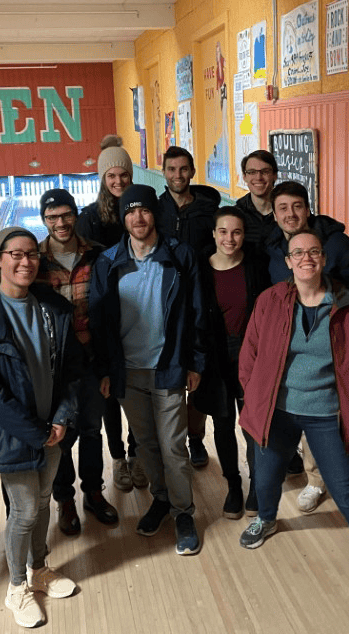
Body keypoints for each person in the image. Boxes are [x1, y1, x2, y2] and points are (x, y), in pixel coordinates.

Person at [237, 230, 349, 625]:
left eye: (313, 252)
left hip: (327, 413)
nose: (306, 258)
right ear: (289, 261)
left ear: (323, 258)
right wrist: (255, 395)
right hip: (278, 410)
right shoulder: (271, 301)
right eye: (298, 253)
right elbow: (250, 354)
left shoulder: (348, 306)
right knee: (266, 475)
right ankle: (266, 517)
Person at [0, 227, 81, 628]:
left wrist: (61, 416)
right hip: (15, 432)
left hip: (52, 427)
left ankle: (39, 569)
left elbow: (69, 370)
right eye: (15, 254)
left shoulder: (49, 308)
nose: (25, 261)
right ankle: (16, 587)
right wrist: (37, 431)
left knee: (43, 501)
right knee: (24, 511)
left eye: (31, 254)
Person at [89, 184, 207, 555]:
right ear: (123, 217)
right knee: (146, 444)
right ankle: (161, 499)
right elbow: (98, 323)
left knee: (173, 444)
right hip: (128, 371)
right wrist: (107, 370)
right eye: (130, 212)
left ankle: (184, 511)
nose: (138, 218)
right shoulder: (108, 261)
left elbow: (197, 313)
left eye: (144, 211)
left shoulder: (179, 255)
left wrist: (195, 362)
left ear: (154, 214)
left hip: (168, 365)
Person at [264, 180, 349, 512]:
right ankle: (315, 480)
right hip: (294, 347)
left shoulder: (337, 244)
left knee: (345, 419)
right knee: (307, 416)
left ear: (308, 209)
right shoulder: (272, 248)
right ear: (274, 213)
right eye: (282, 208)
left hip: (335, 350)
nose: (290, 214)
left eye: (297, 206)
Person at [37, 188, 119, 535]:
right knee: (60, 436)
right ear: (44, 220)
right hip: (53, 369)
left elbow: (111, 315)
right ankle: (65, 499)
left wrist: (107, 367)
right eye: (52, 217)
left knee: (90, 430)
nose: (60, 223)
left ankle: (93, 493)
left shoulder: (97, 256)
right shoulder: (34, 261)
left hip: (90, 361)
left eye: (66, 215)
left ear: (75, 214)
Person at [76, 135, 144, 492]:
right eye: (111, 176)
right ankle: (117, 458)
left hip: (138, 312)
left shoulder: (139, 210)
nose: (118, 182)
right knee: (109, 395)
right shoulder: (88, 218)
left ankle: (137, 455)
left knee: (133, 389)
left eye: (123, 175)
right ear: (102, 179)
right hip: (104, 313)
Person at [195, 206, 270, 518]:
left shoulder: (255, 265)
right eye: (223, 231)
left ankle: (256, 486)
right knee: (223, 425)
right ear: (213, 234)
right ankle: (233, 485)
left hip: (250, 355)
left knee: (253, 425)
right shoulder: (200, 269)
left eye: (236, 232)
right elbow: (194, 319)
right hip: (215, 356)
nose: (230, 238)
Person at [156, 145, 221, 468]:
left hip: (201, 302)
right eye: (171, 169)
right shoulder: (155, 211)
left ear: (192, 172)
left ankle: (195, 438)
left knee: (197, 375)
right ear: (163, 171)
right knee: (168, 377)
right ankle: (168, 441)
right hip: (163, 306)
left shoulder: (208, 211)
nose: (178, 175)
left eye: (183, 169)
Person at [235, 149, 278, 249]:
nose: (258, 177)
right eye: (252, 172)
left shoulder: (287, 213)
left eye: (265, 172)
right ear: (244, 177)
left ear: (275, 175)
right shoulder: (236, 215)